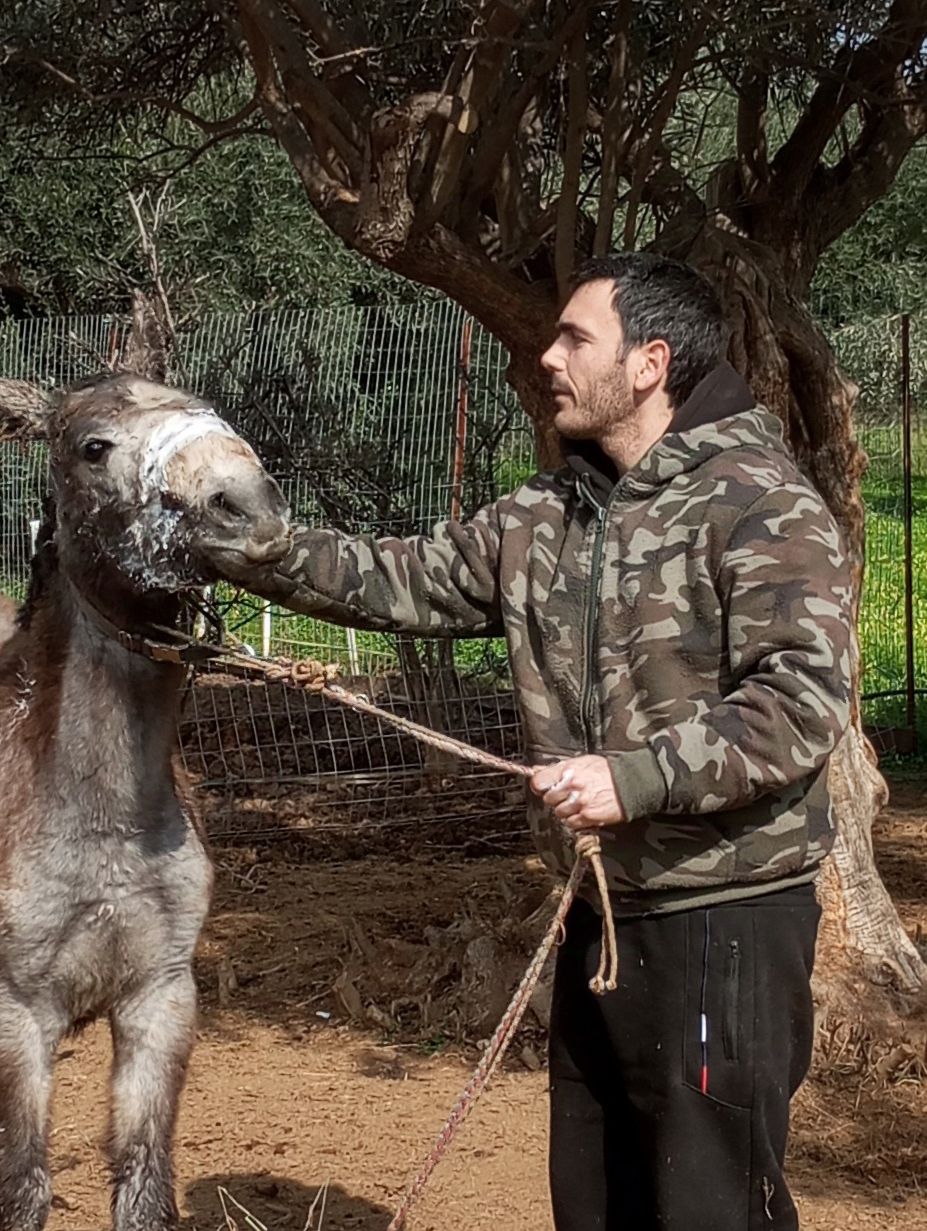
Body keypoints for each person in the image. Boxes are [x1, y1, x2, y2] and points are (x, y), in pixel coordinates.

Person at [227, 252, 852, 1230]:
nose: (546, 354)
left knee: (709, 1204)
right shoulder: (546, 514)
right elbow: (399, 578)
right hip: (598, 910)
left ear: (650, 362)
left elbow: (802, 702)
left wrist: (634, 777)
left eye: (573, 338)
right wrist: (237, 542)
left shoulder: (758, 504)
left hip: (722, 916)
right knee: (595, 1198)